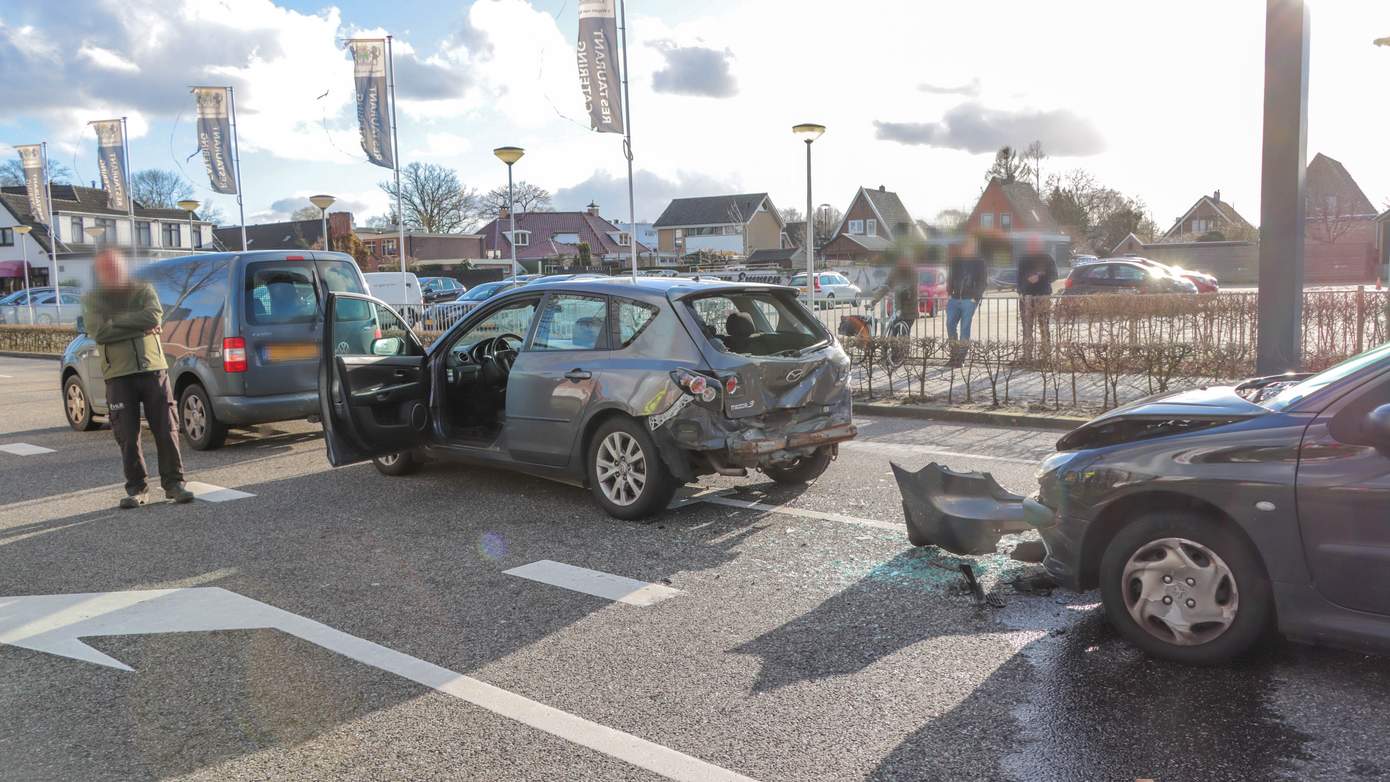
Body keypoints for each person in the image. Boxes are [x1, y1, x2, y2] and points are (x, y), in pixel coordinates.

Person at [82, 248, 194, 509]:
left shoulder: (143, 289)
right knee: (127, 435)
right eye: (107, 267)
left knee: (166, 429)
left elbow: (154, 316)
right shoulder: (93, 299)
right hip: (118, 374)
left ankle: (174, 484)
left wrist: (116, 321)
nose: (113, 271)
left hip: (153, 369)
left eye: (116, 266)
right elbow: (99, 332)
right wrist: (137, 324)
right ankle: (137, 489)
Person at [946, 234, 988, 367]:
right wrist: (949, 291)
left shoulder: (979, 262)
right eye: (965, 245)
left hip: (969, 300)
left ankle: (961, 358)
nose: (967, 248)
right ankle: (954, 355)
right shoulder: (956, 261)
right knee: (950, 324)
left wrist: (975, 298)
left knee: (965, 328)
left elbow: (983, 282)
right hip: (954, 298)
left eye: (970, 245)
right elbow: (951, 277)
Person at [1016, 236, 1058, 362]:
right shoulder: (1023, 259)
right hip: (1026, 297)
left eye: (1035, 244)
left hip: (1042, 295)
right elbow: (1018, 278)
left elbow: (1054, 276)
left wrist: (1039, 278)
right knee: (1027, 328)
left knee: (1044, 325)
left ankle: (1046, 354)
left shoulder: (1047, 258)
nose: (1032, 246)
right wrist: (1021, 289)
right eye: (1031, 244)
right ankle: (1027, 355)